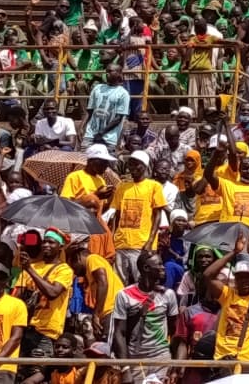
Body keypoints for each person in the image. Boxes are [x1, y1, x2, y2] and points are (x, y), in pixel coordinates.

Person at [203, 229, 249, 362]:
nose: (244, 281)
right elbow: (208, 275)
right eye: (240, 277)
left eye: (248, 277)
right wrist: (233, 252)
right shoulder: (227, 295)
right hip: (223, 358)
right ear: (235, 279)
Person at [13, 228, 74, 381]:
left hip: (46, 332)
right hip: (26, 329)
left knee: (36, 376)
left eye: (51, 242)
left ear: (60, 247)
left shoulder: (64, 270)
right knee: (20, 376)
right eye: (44, 241)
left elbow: (53, 293)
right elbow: (15, 298)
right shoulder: (32, 266)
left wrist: (30, 269)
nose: (46, 245)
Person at [111, 251, 178, 384]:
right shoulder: (124, 295)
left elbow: (174, 330)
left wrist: (174, 363)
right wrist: (125, 368)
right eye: (159, 264)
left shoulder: (168, 294)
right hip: (135, 358)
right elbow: (119, 333)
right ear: (146, 268)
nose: (163, 267)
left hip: (161, 357)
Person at [109, 150, 166, 286]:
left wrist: (150, 241)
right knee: (118, 283)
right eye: (131, 164)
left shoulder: (154, 186)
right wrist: (112, 238)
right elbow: (117, 215)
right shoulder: (122, 187)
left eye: (137, 164)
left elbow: (158, 215)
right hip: (121, 243)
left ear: (145, 166)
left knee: (141, 281)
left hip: (141, 244)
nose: (133, 167)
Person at [81, 64, 130, 152]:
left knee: (106, 163)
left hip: (109, 138)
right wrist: (81, 127)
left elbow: (118, 118)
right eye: (106, 72)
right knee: (83, 161)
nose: (107, 74)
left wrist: (101, 132)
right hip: (90, 134)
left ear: (119, 73)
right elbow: (89, 111)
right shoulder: (97, 88)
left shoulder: (123, 93)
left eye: (110, 71)